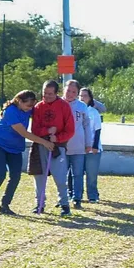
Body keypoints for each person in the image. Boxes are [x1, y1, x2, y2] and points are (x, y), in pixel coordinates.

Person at [0, 90, 54, 215]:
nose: (30, 109)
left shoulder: (28, 109)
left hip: (15, 148)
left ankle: (5, 205)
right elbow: (24, 133)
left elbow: (41, 111)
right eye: (28, 105)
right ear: (19, 101)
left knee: (15, 176)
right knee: (0, 174)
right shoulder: (10, 111)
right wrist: (44, 142)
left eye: (32, 106)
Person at [29, 80, 75, 215]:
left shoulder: (64, 106)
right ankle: (39, 204)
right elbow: (35, 129)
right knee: (39, 177)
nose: (47, 96)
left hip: (57, 147)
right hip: (40, 145)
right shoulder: (38, 107)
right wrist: (48, 131)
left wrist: (57, 138)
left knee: (60, 177)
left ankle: (64, 205)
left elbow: (70, 130)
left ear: (56, 93)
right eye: (45, 93)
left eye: (50, 94)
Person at [62, 80, 93, 209]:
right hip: (61, 145)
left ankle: (77, 198)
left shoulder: (82, 106)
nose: (70, 94)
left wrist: (88, 143)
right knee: (61, 173)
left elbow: (87, 125)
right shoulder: (58, 104)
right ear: (64, 90)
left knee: (78, 173)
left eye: (74, 92)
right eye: (68, 91)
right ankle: (63, 198)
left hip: (78, 145)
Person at [80, 87, 103, 203]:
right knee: (76, 173)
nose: (82, 98)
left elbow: (97, 130)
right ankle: (75, 194)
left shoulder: (93, 112)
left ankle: (93, 195)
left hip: (92, 149)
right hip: (78, 147)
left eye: (85, 96)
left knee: (91, 174)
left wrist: (94, 146)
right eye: (81, 96)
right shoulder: (76, 110)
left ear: (90, 98)